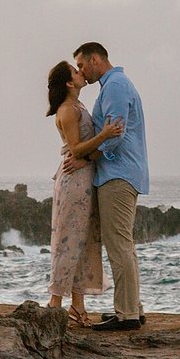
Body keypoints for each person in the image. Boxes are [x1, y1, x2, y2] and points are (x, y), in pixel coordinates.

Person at [67, 42, 149, 331]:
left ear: (94, 59)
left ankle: (126, 315)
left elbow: (114, 135)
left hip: (118, 173)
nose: (80, 71)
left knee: (118, 245)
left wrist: (86, 157)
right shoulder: (113, 84)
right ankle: (132, 308)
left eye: (81, 65)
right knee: (123, 243)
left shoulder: (114, 86)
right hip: (120, 172)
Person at [45, 60, 124, 327]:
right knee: (68, 240)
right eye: (76, 72)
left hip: (84, 179)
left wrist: (90, 156)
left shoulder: (78, 106)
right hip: (73, 182)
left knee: (83, 241)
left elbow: (82, 154)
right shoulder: (67, 110)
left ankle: (77, 306)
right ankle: (55, 304)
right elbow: (76, 149)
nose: (81, 74)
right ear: (69, 82)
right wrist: (104, 135)